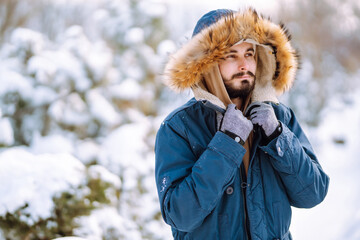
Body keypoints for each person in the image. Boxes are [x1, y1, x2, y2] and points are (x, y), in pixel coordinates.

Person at [155, 8, 329, 240]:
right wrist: (226, 143)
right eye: (230, 55)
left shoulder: (279, 117)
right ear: (206, 63)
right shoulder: (179, 127)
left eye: (249, 53)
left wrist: (277, 136)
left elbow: (313, 193)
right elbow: (180, 215)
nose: (244, 65)